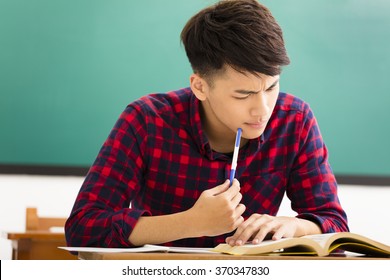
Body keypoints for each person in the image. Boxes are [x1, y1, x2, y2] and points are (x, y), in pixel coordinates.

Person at [65, 0, 349, 248]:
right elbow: (83, 227)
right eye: (243, 94)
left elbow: (334, 223)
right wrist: (191, 222)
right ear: (200, 86)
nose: (262, 109)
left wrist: (295, 227)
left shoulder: (295, 120)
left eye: (271, 87)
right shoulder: (146, 120)